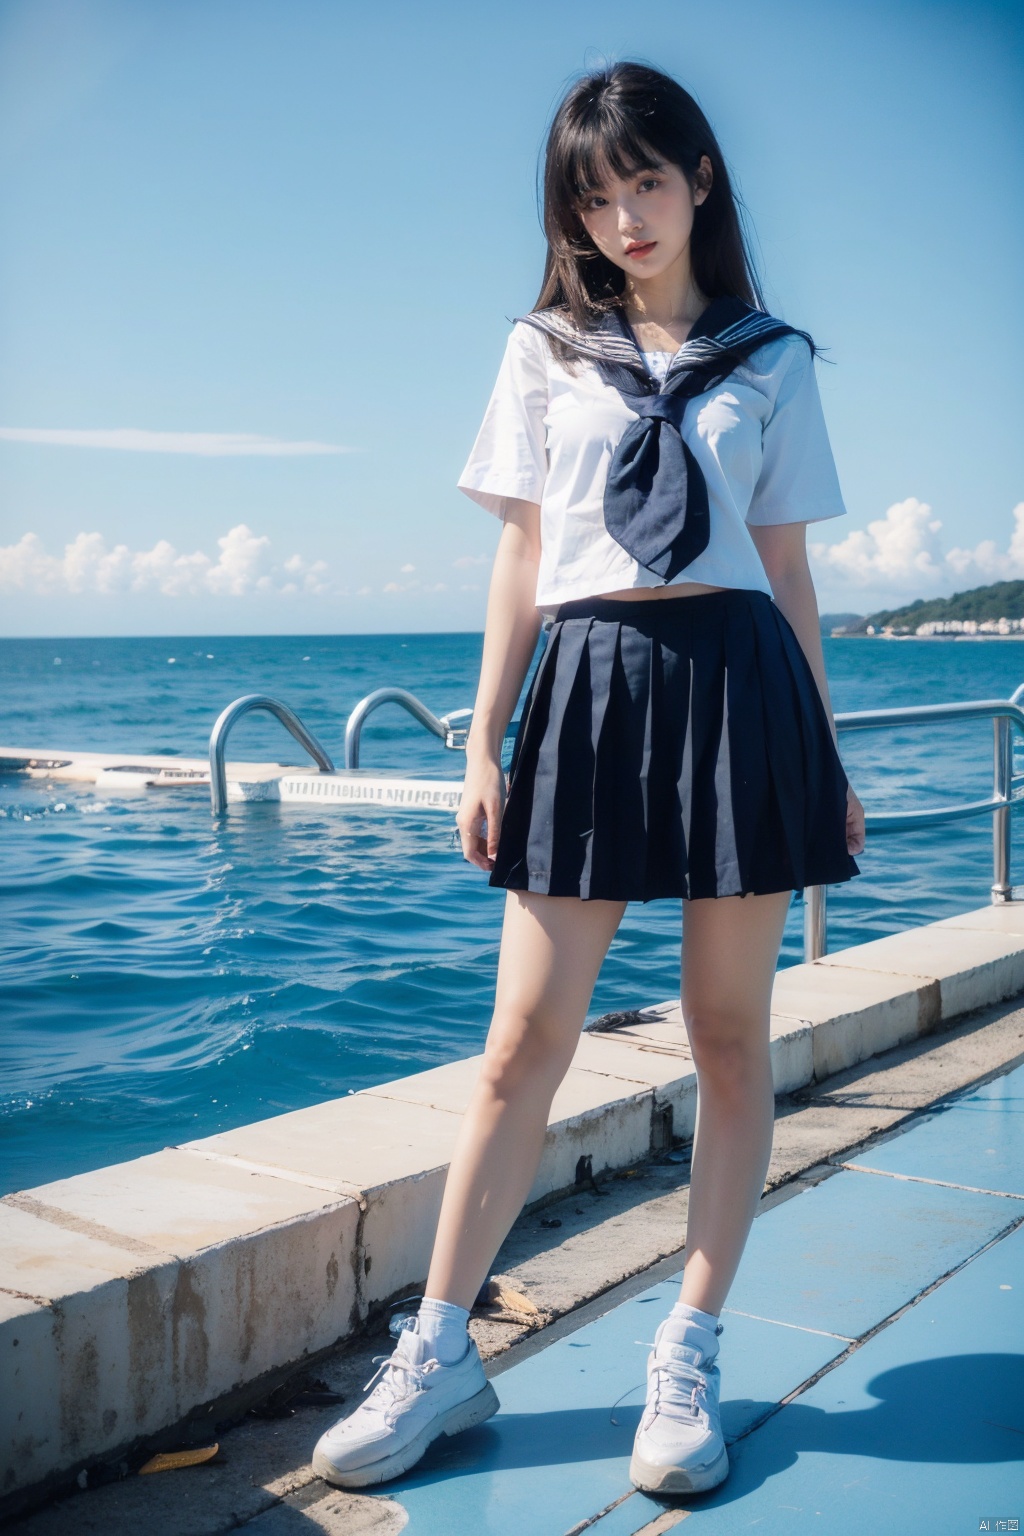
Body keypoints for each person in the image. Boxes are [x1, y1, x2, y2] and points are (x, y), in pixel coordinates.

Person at [312, 59, 866, 1498]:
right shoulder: (542, 352)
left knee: (728, 1037)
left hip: (741, 694)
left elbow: (790, 574)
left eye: (648, 183)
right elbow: (518, 559)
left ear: (701, 184)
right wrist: (484, 741)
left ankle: (686, 1348)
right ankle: (439, 1349)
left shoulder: (775, 360)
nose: (625, 217)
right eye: (595, 194)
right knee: (522, 1039)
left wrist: (828, 753)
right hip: (590, 687)